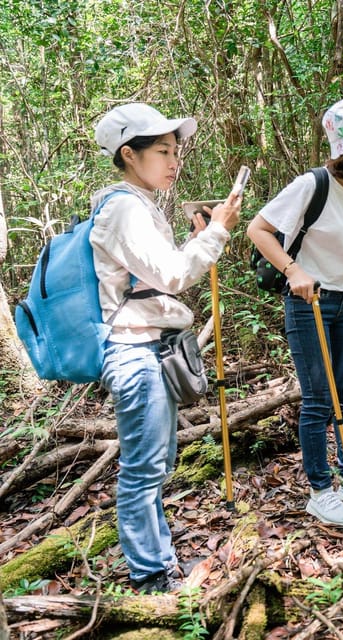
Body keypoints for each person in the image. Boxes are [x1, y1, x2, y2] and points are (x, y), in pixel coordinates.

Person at [91, 103, 242, 593]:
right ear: (129, 154)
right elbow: (174, 277)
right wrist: (217, 231)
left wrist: (200, 238)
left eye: (176, 150)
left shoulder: (138, 204)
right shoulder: (123, 207)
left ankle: (159, 562)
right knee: (143, 468)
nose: (174, 160)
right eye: (162, 150)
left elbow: (154, 274)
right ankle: (151, 577)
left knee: (156, 463)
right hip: (134, 351)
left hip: (152, 347)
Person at [247, 96, 343, 526]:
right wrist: (293, 270)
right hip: (309, 303)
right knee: (317, 401)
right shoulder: (312, 186)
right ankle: (320, 489)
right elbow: (259, 229)